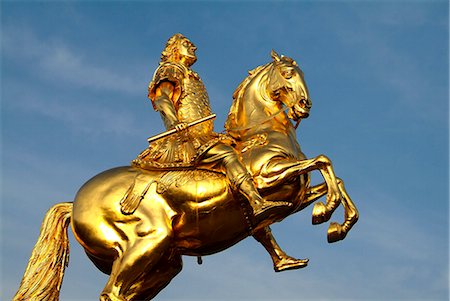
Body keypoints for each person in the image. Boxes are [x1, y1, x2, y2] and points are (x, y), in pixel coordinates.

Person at [132, 33, 288, 216]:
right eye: (187, 44)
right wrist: (175, 123)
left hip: (203, 136)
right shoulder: (171, 69)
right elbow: (162, 98)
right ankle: (256, 201)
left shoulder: (191, 76)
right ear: (174, 49)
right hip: (186, 139)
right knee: (227, 155)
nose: (193, 47)